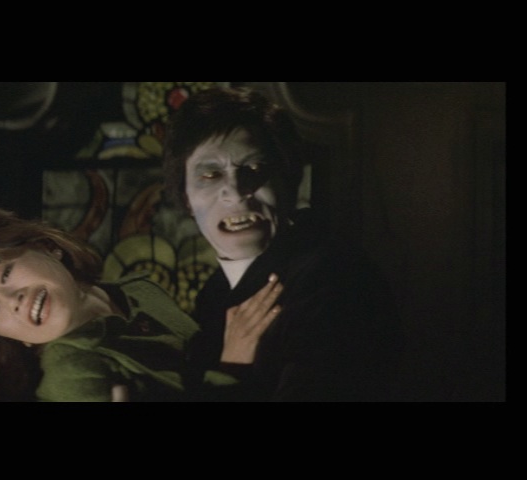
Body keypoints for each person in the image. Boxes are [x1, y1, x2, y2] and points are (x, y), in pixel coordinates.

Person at [163, 86, 403, 401]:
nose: (235, 191)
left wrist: (232, 372)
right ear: (185, 198)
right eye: (210, 175)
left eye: (254, 168)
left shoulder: (334, 280)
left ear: (288, 180)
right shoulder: (213, 295)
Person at [0, 205, 284, 402]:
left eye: (5, 273)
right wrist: (234, 365)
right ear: (13, 338)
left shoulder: (137, 289)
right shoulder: (69, 372)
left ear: (47, 247)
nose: (12, 301)